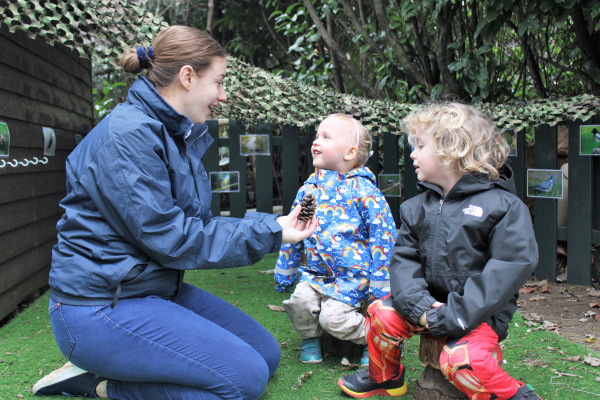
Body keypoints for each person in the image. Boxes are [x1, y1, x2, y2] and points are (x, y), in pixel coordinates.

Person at [32, 25, 316, 400]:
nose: (222, 94)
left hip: (149, 289)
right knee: (242, 381)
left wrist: (273, 225)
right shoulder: (128, 138)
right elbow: (173, 237)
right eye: (218, 82)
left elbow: (193, 224)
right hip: (99, 308)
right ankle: (101, 385)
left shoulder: (169, 133)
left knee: (266, 355)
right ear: (187, 76)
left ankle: (116, 368)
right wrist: (271, 234)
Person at [338, 102, 542, 399]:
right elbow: (404, 261)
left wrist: (454, 316)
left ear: (452, 150)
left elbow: (509, 266)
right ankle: (385, 376)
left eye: (420, 146)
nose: (412, 154)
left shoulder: (503, 206)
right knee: (381, 312)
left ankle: (516, 395)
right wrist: (420, 308)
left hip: (476, 316)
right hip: (425, 309)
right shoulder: (416, 207)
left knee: (461, 362)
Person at [275, 114, 397, 366]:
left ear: (350, 152)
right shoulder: (309, 190)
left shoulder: (366, 193)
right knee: (299, 302)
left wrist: (381, 284)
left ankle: (374, 338)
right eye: (316, 135)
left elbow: (384, 238)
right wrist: (285, 272)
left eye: (326, 137)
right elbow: (293, 231)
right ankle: (310, 338)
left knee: (333, 318)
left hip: (353, 278)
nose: (315, 141)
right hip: (315, 274)